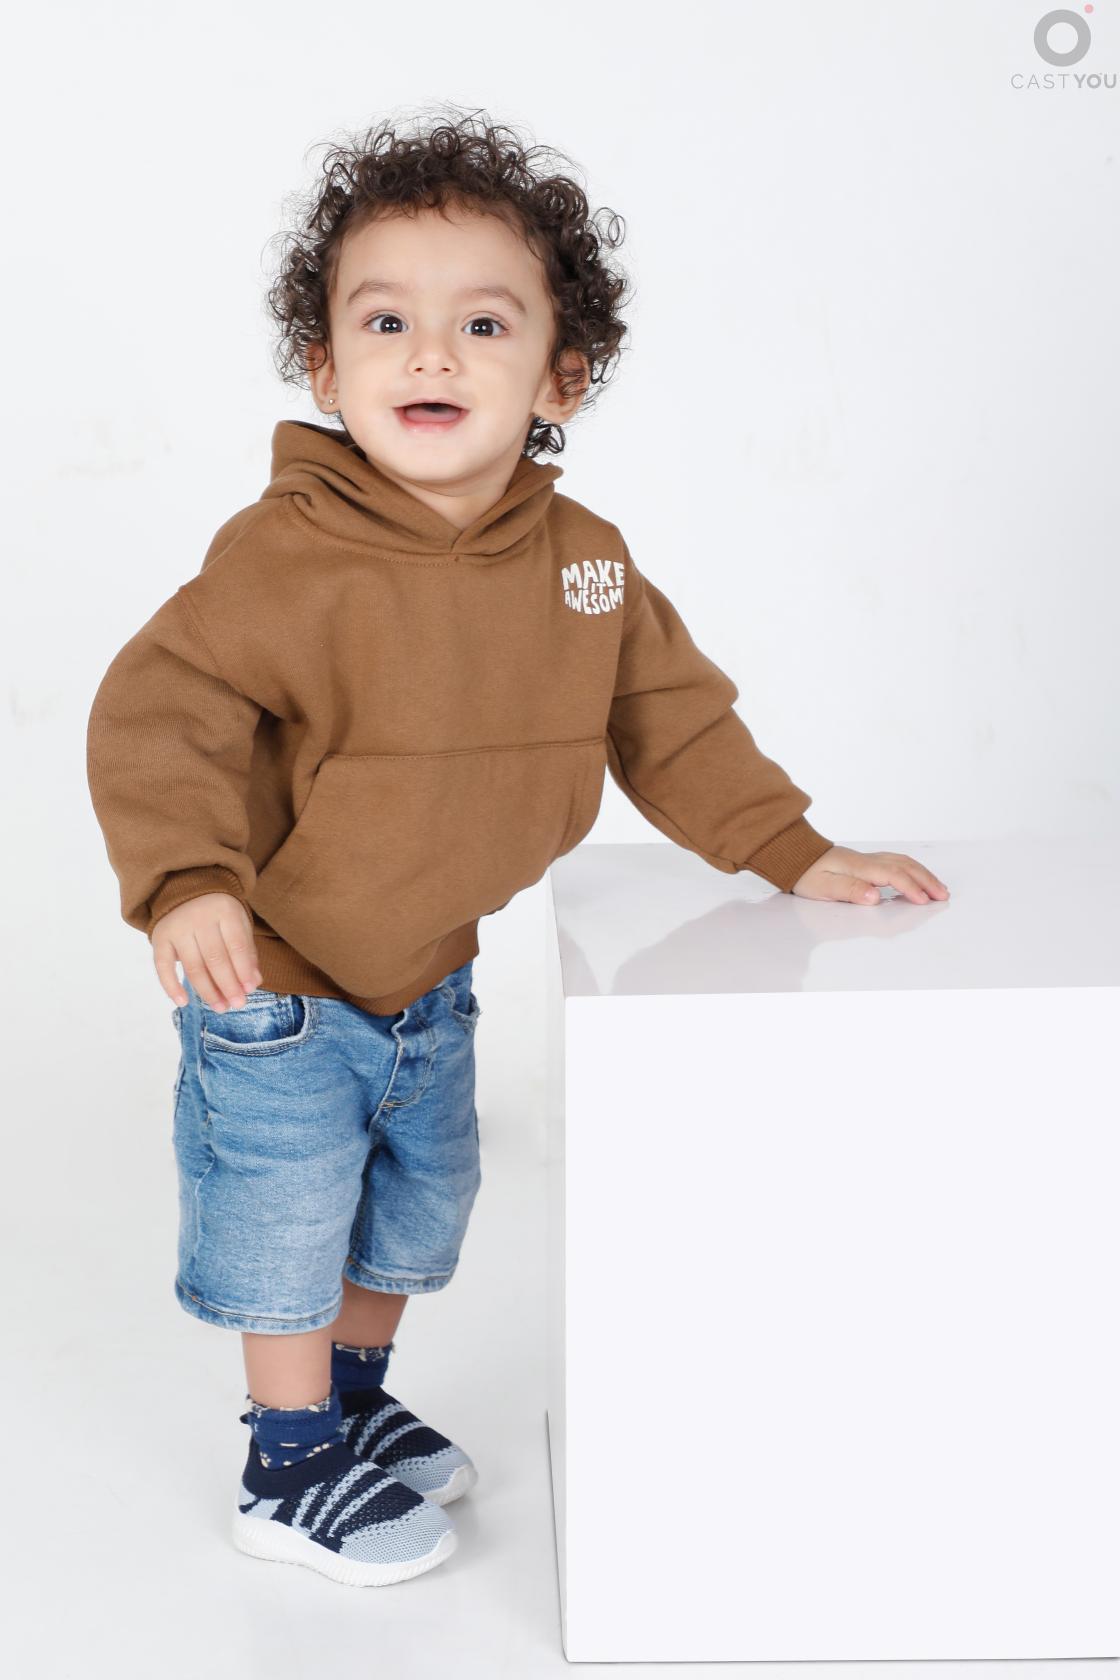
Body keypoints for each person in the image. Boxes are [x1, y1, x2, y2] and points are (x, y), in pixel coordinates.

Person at [85, 108, 949, 1590]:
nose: (431, 355)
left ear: (562, 375)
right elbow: (160, 712)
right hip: (276, 982)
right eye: (386, 323)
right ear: (324, 368)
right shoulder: (285, 556)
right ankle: (284, 1466)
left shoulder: (585, 562)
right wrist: (186, 882)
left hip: (429, 975)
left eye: (482, 324)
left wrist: (790, 849)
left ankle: (351, 1407)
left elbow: (668, 718)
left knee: (413, 1212)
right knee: (291, 1223)